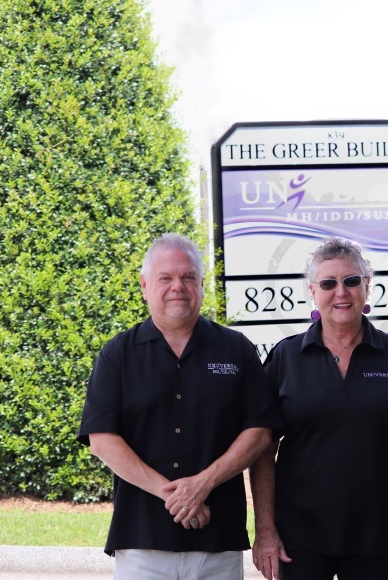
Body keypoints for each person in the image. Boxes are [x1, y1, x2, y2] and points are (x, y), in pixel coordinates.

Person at [77, 232, 281, 579]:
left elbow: (259, 433)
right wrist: (178, 495)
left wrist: (203, 484)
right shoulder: (118, 354)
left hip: (219, 542)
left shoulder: (237, 350)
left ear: (201, 284)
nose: (178, 287)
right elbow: (102, 440)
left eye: (188, 277)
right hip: (141, 543)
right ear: (144, 285)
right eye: (165, 278)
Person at [249, 236, 388, 580]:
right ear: (312, 291)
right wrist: (265, 529)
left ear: (367, 286)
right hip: (298, 534)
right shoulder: (286, 357)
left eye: (351, 281)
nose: (341, 292)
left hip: (376, 530)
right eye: (328, 283)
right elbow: (262, 450)